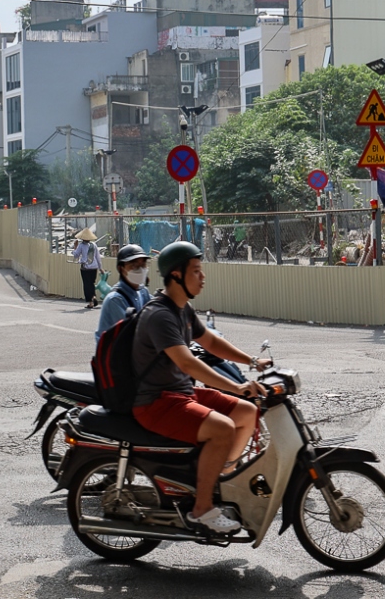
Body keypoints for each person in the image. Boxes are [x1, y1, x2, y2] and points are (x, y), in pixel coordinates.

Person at [131, 241, 270, 535]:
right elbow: (189, 364)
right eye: (196, 271)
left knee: (246, 412)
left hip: (179, 394)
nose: (202, 276)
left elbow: (210, 342)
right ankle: (202, 508)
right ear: (176, 276)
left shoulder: (183, 310)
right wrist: (237, 385)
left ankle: (221, 479)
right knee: (223, 429)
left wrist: (251, 360)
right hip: (155, 403)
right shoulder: (161, 315)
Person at [94, 244, 152, 346]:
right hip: (118, 357)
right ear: (121, 269)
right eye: (134, 265)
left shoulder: (143, 291)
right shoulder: (115, 299)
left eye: (143, 265)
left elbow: (158, 309)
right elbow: (134, 333)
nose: (140, 269)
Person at [72, 228, 103, 308]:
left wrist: (75, 247)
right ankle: (94, 297)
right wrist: (100, 268)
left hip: (85, 268)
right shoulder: (94, 245)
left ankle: (91, 302)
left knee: (86, 285)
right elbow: (98, 257)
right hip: (94, 268)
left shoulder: (81, 245)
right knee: (92, 283)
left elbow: (76, 255)